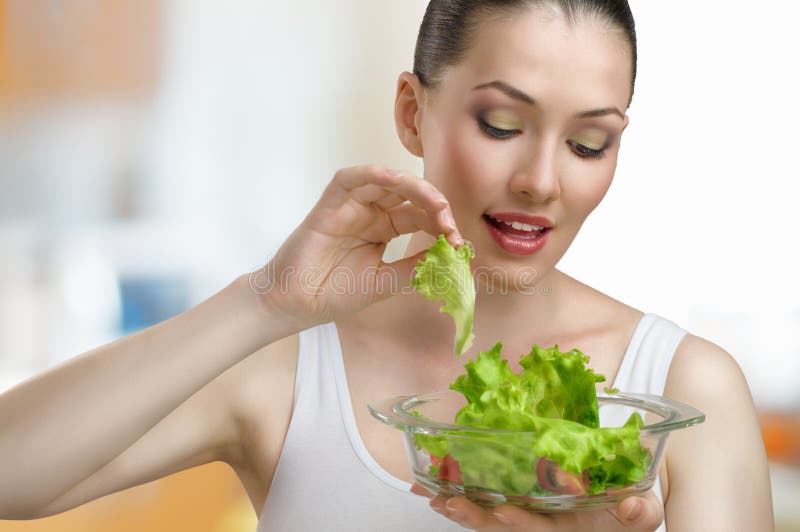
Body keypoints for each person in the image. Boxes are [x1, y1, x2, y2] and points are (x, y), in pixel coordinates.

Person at [0, 1, 774, 531]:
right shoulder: (290, 363)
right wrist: (266, 302)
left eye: (588, 143)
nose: (542, 179)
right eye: (502, 124)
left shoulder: (682, 391)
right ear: (412, 112)